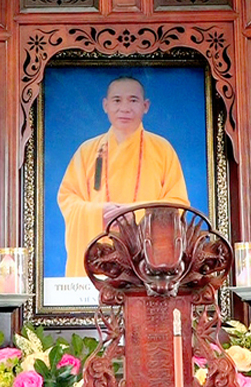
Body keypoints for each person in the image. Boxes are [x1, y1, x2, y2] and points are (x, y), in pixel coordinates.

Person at [57, 75, 189, 277]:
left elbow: (178, 203)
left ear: (145, 106)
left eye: (133, 100)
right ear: (106, 105)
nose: (124, 108)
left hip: (147, 262)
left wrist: (136, 214)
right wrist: (98, 213)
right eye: (117, 100)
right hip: (99, 256)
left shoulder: (162, 149)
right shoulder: (87, 151)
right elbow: (68, 198)